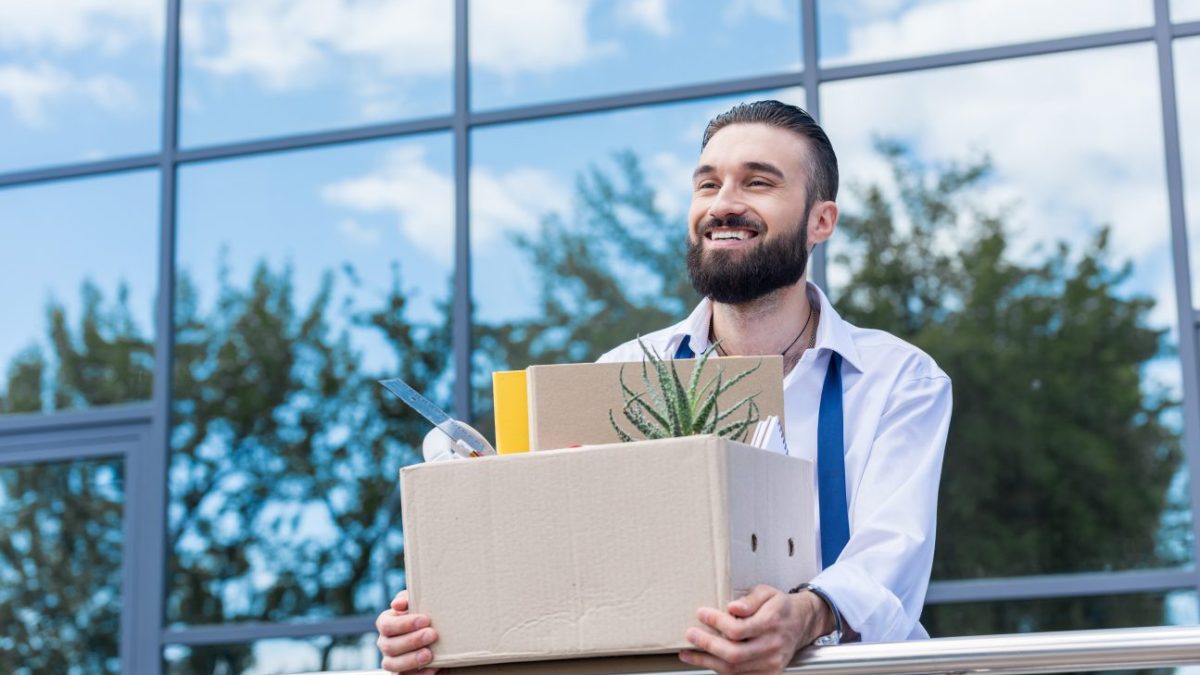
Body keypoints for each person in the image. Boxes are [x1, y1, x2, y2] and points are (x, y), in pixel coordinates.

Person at [376, 100, 953, 675]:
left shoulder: (899, 379)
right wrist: (438, 633)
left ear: (820, 221)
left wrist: (805, 615)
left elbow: (891, 556)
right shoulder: (623, 372)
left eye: (757, 182)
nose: (724, 204)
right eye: (707, 184)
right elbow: (565, 570)